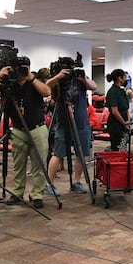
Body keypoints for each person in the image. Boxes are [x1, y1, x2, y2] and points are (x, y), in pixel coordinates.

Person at [0, 64, 51, 209]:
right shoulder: (9, 85)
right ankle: (17, 193)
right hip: (18, 130)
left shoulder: (34, 82)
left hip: (37, 128)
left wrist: (31, 77)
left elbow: (46, 92)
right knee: (18, 165)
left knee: (39, 164)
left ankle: (37, 195)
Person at [46, 66, 97, 195]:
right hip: (63, 124)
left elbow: (93, 86)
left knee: (81, 154)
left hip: (82, 123)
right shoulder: (59, 81)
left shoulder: (81, 81)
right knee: (57, 154)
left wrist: (84, 79)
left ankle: (76, 182)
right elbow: (47, 86)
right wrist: (58, 76)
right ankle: (49, 184)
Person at [104, 69, 130, 151]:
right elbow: (115, 111)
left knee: (124, 146)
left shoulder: (122, 91)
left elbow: (126, 108)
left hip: (124, 122)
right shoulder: (112, 92)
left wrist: (128, 120)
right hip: (116, 124)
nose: (126, 79)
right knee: (117, 147)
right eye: (125, 77)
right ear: (119, 78)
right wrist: (124, 123)